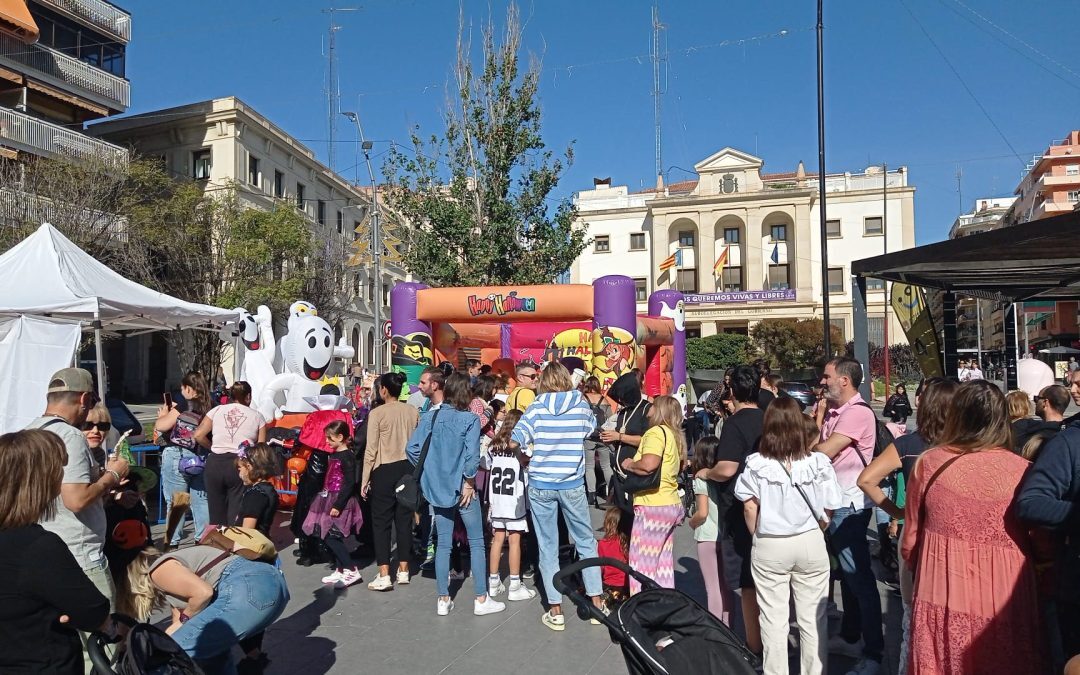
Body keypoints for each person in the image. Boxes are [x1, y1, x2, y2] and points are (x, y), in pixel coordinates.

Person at [902, 380, 1044, 674]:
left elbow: (910, 538)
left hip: (941, 588)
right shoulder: (1025, 471)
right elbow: (1041, 539)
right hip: (1005, 595)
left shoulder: (929, 464)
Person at [856, 377, 957, 675]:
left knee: (912, 619)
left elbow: (866, 480)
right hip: (953, 540)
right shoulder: (966, 446)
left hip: (914, 537)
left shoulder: (909, 444)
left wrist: (897, 511)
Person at [735, 399, 843, 675]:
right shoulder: (818, 462)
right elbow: (831, 502)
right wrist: (821, 526)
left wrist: (756, 533)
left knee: (773, 618)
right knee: (812, 618)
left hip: (771, 541)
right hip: (809, 539)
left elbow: (749, 505)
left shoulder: (758, 463)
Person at [0, 429, 120, 675]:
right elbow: (93, 611)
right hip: (42, 662)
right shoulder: (38, 546)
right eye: (58, 472)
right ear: (40, 480)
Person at [24, 369, 129, 621]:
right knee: (102, 639)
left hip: (41, 552)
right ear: (83, 399)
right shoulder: (69, 436)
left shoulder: (31, 432)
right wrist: (112, 476)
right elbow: (76, 499)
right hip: (79, 554)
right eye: (91, 403)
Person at [508, 362, 606, 630]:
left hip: (541, 483)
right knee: (585, 541)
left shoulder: (537, 407)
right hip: (571, 482)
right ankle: (597, 602)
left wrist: (524, 457)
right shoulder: (580, 405)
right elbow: (591, 431)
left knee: (547, 546)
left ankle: (555, 609)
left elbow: (514, 440)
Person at [407, 373, 506, 617]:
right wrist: (469, 481)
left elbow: (412, 449)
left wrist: (429, 473)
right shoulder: (470, 420)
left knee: (443, 543)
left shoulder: (430, 416)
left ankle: (443, 598)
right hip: (463, 487)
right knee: (476, 542)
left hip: (437, 488)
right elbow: (472, 456)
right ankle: (481, 598)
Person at [120, 544, 289, 675]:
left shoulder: (158, 570)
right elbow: (179, 628)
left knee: (173, 656)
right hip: (270, 586)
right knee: (213, 655)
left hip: (249, 585)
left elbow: (203, 593)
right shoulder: (177, 578)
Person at [813, 357, 883, 675]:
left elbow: (824, 451)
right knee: (851, 579)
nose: (822, 381)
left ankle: (873, 654)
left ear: (844, 380)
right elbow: (819, 445)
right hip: (837, 504)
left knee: (860, 579)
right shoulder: (837, 412)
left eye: (826, 376)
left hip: (848, 505)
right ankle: (853, 637)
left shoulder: (856, 413)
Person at [695, 364, 764, 654]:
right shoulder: (767, 417)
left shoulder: (735, 423)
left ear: (732, 391)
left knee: (748, 582)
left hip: (741, 508)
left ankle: (753, 644)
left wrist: (705, 473)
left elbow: (727, 468)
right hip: (773, 505)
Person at [620, 395, 685, 593]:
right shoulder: (675, 435)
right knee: (663, 565)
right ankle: (664, 605)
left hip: (652, 504)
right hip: (670, 502)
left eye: (652, 407)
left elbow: (648, 465)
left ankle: (642, 609)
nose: (647, 411)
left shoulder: (655, 433)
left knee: (642, 563)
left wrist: (630, 464)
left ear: (659, 410)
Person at [362, 372, 420, 591]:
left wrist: (365, 479)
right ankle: (404, 569)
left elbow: (371, 450)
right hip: (406, 467)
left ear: (383, 390)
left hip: (384, 468)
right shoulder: (412, 411)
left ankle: (384, 573)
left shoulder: (377, 413)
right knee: (404, 520)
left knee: (381, 523)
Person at [194, 381, 266, 527]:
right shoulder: (257, 416)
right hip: (240, 463)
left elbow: (198, 435)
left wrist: (212, 447)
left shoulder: (217, 410)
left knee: (215, 512)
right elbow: (261, 447)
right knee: (236, 511)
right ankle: (234, 544)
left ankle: (217, 544)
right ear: (248, 397)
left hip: (215, 462)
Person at [303, 420, 364, 588]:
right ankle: (340, 569)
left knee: (331, 535)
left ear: (340, 437)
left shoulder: (347, 457)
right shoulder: (335, 455)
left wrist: (338, 504)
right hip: (329, 496)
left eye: (329, 438)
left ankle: (351, 569)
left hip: (340, 500)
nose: (327, 442)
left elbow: (349, 483)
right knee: (330, 533)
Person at [156, 371, 213, 546]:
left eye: (182, 388)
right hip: (201, 457)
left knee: (177, 501)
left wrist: (164, 414)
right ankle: (203, 539)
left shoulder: (182, 405)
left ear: (188, 388)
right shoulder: (211, 406)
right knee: (201, 500)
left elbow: (161, 426)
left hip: (177, 455)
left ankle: (172, 542)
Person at [486, 409, 537, 602]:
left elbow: (486, 465)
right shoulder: (522, 449)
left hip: (497, 500)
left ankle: (493, 581)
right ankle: (515, 583)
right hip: (515, 500)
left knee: (497, 539)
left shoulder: (493, 446)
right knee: (515, 541)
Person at [688, 435, 730, 623]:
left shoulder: (700, 479)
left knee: (712, 587)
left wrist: (692, 522)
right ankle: (730, 628)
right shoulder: (724, 478)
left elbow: (702, 513)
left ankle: (716, 629)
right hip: (725, 534)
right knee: (726, 587)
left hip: (707, 535)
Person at [601, 372, 651, 513]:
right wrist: (609, 439)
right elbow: (619, 437)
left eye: (623, 396)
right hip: (619, 473)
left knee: (634, 515)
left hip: (635, 474)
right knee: (622, 515)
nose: (621, 400)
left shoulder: (646, 410)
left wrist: (619, 437)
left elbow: (647, 440)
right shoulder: (623, 412)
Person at [582, 375, 613, 505]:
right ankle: (611, 492)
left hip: (588, 437)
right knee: (606, 465)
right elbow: (610, 418)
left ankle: (591, 495)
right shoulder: (604, 400)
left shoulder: (583, 399)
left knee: (589, 467)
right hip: (602, 436)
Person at [1012, 384, 1069, 452]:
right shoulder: (1069, 432)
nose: (1035, 402)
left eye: (1037, 399)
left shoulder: (1024, 428)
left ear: (1045, 403)